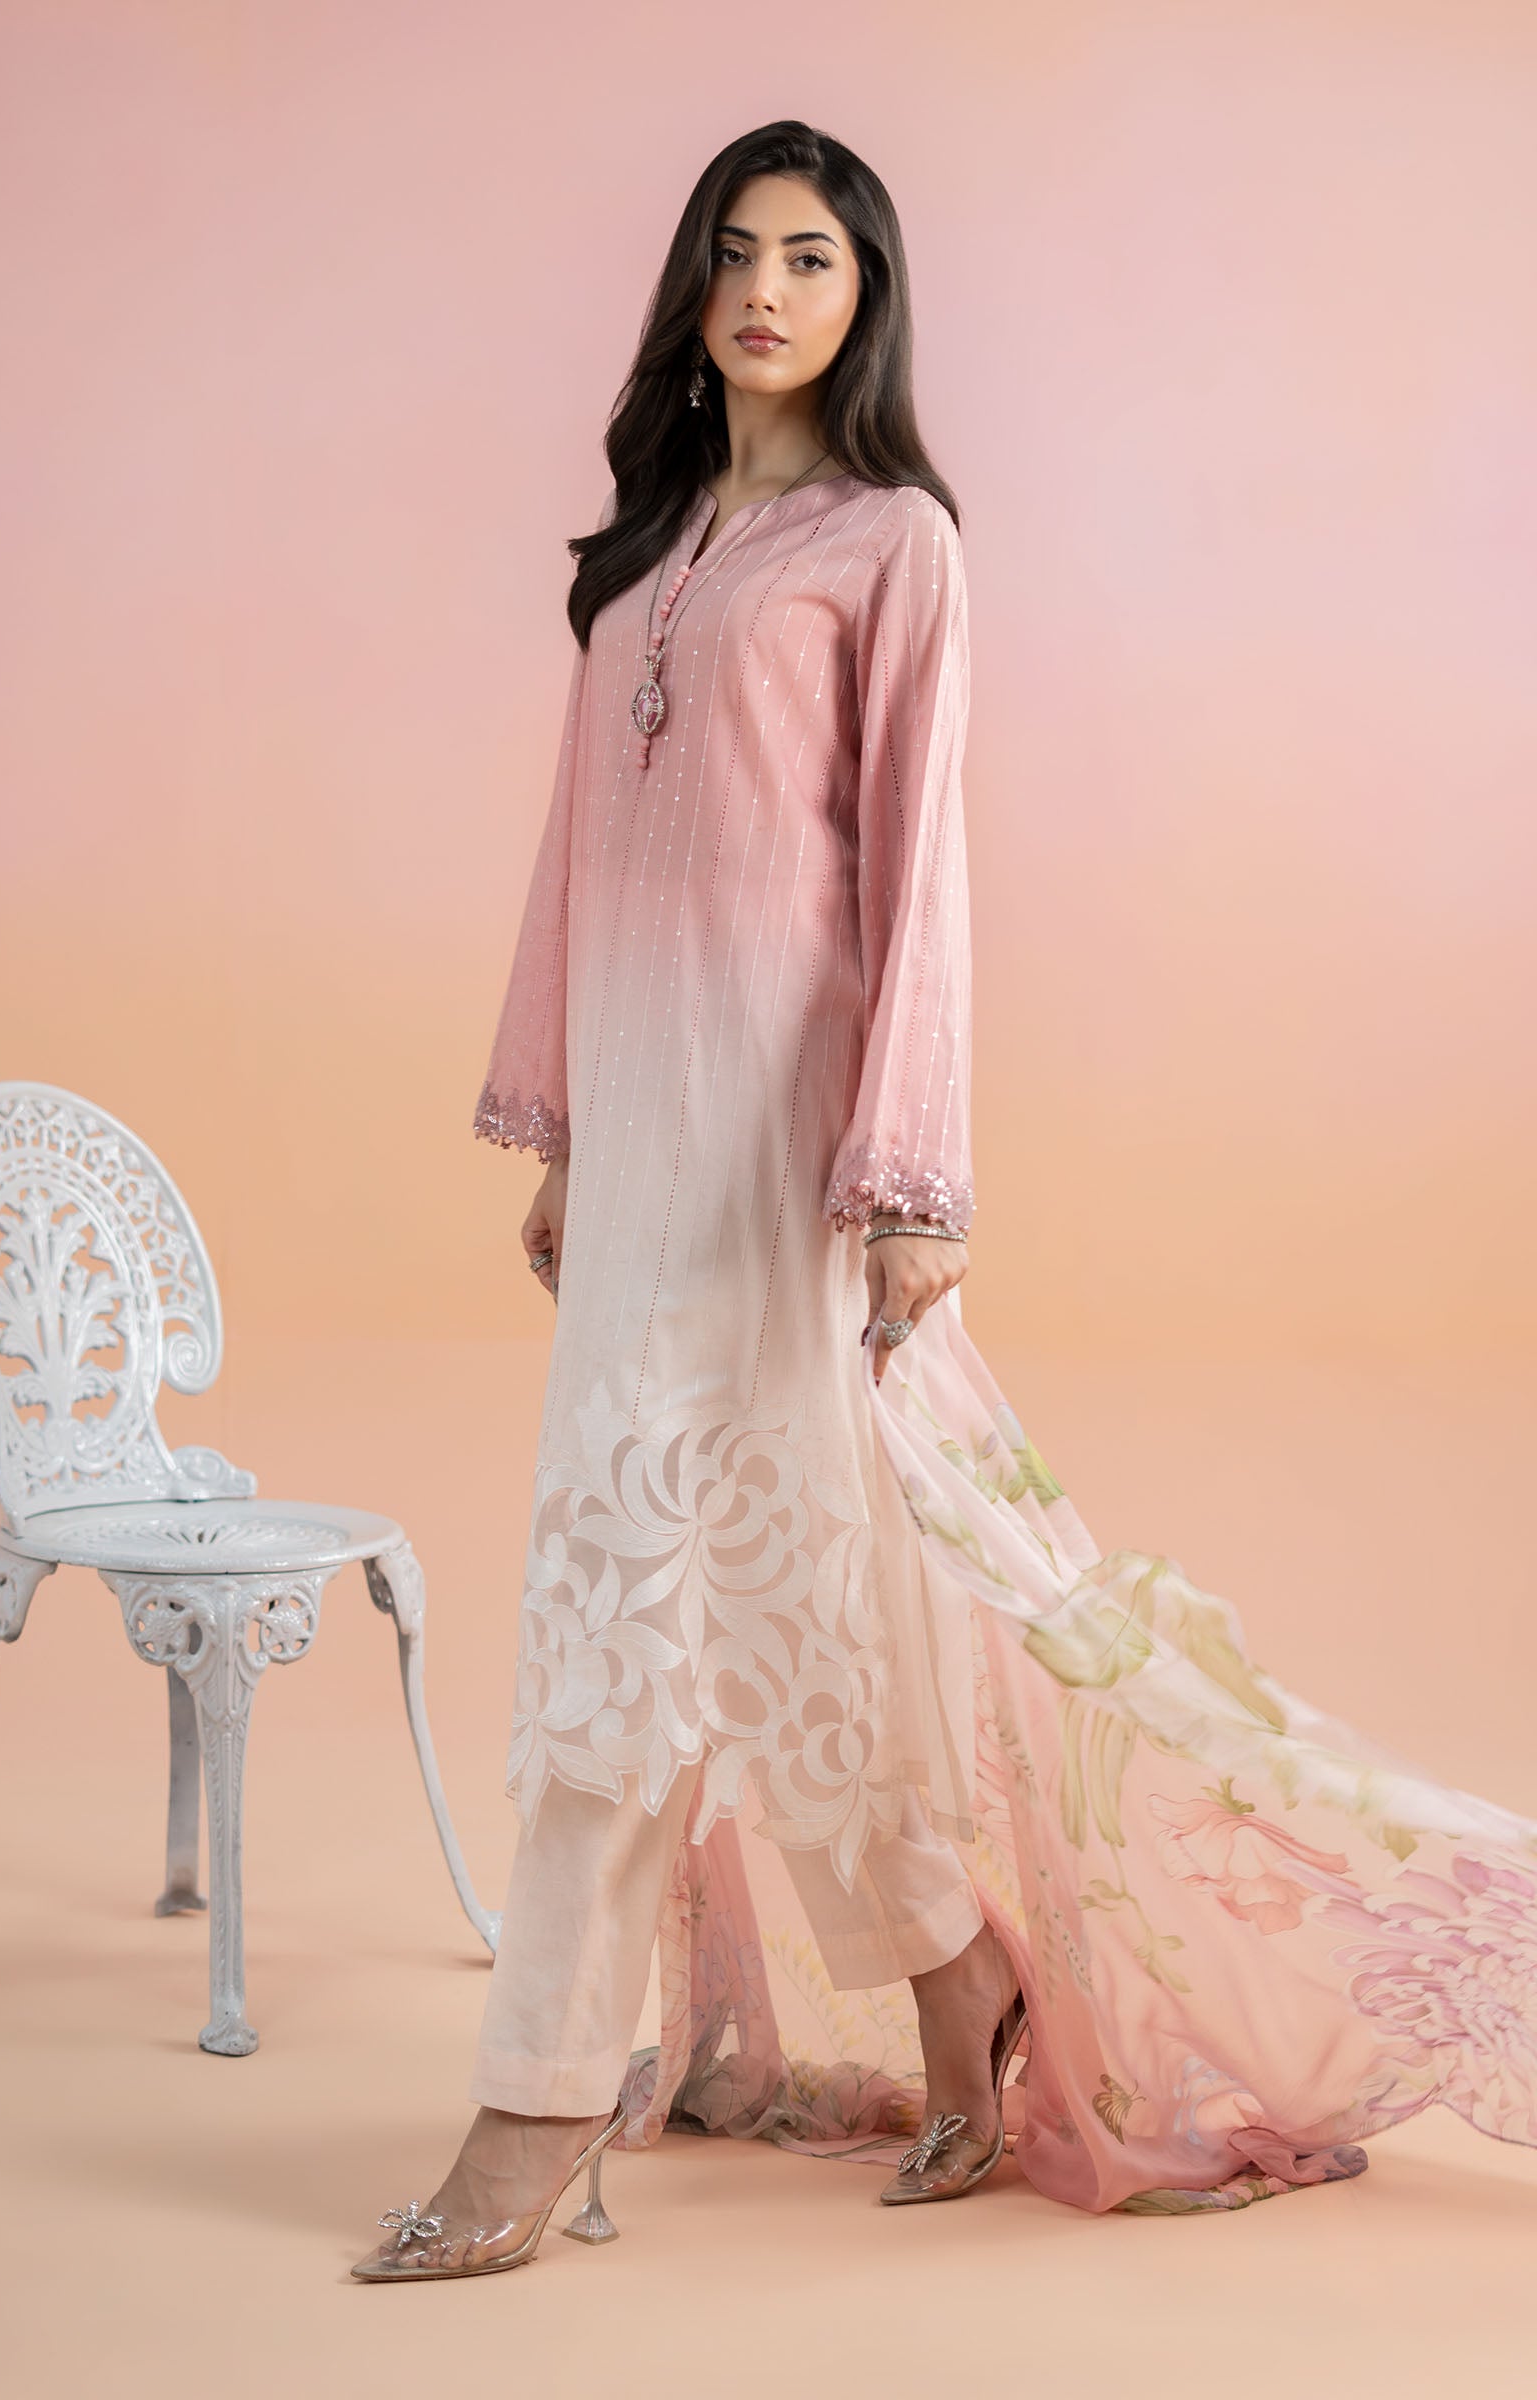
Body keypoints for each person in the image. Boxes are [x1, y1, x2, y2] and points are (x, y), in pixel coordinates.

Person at [351, 120, 1537, 2282]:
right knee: (702, 1607)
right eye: (735, 252)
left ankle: (540, 2104)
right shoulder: (647, 548)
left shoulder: (892, 543)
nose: (765, 291)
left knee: (729, 1607)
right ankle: (939, 1984)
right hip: (645, 1140)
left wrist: (909, 1177)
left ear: (865, 295)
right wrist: (573, 1132)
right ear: (691, 287)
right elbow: (576, 860)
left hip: (796, 1145)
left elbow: (917, 879)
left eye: (810, 258)